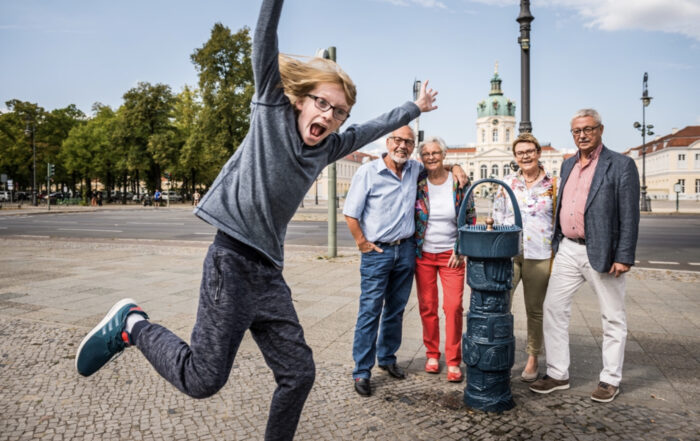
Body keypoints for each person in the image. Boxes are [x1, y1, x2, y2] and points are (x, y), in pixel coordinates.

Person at [74, 1, 439, 439]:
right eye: (322, 103)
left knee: (299, 374)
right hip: (230, 263)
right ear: (301, 100)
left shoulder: (327, 148)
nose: (328, 115)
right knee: (202, 379)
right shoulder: (270, 110)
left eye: (338, 111)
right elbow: (263, 43)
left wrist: (414, 108)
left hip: (268, 273)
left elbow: (375, 127)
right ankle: (131, 324)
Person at [344, 127, 467, 397]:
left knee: (396, 310)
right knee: (370, 311)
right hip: (378, 253)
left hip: (408, 250)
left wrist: (456, 165)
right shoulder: (368, 172)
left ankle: (387, 358)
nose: (402, 146)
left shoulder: (414, 170)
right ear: (387, 142)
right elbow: (350, 214)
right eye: (397, 140)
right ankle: (362, 370)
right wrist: (362, 243)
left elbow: (437, 165)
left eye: (408, 142)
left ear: (413, 147)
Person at [529, 109, 640, 403]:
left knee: (612, 317)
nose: (582, 135)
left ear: (600, 130)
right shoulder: (567, 165)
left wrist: (624, 255)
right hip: (568, 248)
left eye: (588, 129)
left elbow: (630, 215)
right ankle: (557, 373)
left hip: (602, 251)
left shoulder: (621, 165)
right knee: (553, 308)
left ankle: (610, 379)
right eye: (577, 131)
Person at [492, 132, 556, 382]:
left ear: (538, 152)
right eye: (520, 153)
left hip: (539, 254)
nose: (526, 156)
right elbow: (497, 216)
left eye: (530, 151)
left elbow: (557, 220)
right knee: (501, 305)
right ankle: (499, 350)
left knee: (535, 309)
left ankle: (532, 357)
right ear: (515, 157)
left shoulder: (553, 184)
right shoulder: (508, 183)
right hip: (510, 254)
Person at [414, 136, 474, 383]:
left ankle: (453, 360)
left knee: (453, 307)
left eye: (435, 153)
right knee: (427, 307)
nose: (431, 157)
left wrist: (461, 250)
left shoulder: (458, 183)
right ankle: (431, 354)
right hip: (423, 255)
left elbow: (470, 218)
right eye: (426, 153)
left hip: (452, 256)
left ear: (444, 155)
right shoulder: (418, 183)